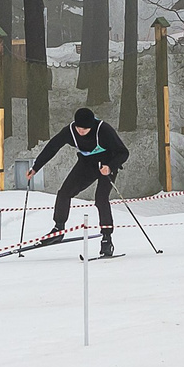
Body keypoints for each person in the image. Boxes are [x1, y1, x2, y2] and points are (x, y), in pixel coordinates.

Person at [28, 106, 131, 256]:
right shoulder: (70, 131)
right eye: (79, 128)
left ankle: (107, 239)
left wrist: (110, 167)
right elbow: (52, 147)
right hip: (87, 164)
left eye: (85, 129)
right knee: (64, 193)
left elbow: (123, 152)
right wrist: (36, 167)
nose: (81, 132)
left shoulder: (103, 129)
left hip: (107, 164)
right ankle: (58, 229)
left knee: (101, 199)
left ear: (92, 125)